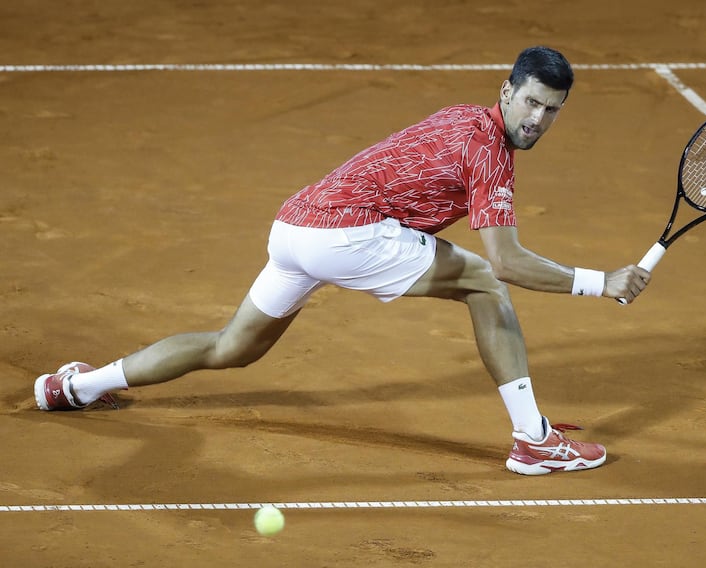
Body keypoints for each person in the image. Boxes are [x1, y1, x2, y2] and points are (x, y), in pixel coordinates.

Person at [34, 46, 650, 476]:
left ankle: (74, 388)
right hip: (350, 235)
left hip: (295, 224)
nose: (539, 119)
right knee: (488, 283)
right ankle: (533, 441)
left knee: (232, 348)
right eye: (532, 103)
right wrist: (603, 283)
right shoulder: (489, 154)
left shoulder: (462, 118)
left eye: (553, 110)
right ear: (508, 91)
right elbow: (508, 261)